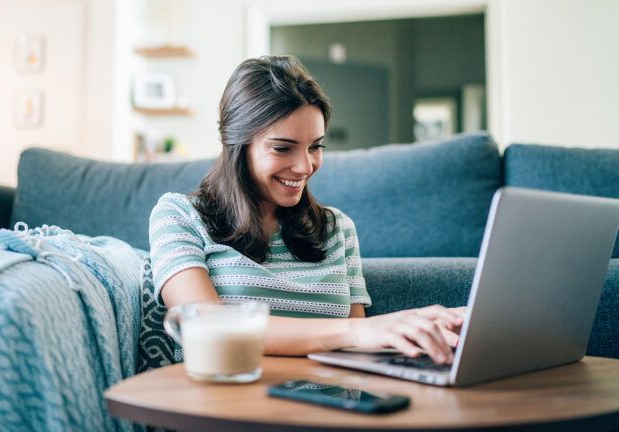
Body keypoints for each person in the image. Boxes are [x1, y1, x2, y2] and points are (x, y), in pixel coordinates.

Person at [149, 55, 464, 365]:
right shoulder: (179, 216)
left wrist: (416, 331)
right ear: (237, 144)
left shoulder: (337, 229)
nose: (304, 166)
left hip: (335, 412)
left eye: (315, 146)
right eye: (283, 148)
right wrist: (357, 330)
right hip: (230, 408)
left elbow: (358, 350)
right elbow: (203, 326)